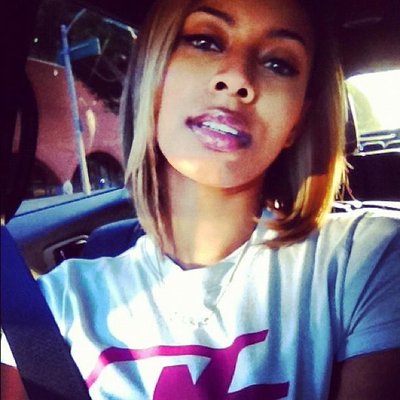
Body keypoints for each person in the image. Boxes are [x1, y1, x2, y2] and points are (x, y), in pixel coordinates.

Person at [2, 0, 400, 398]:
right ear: (153, 78)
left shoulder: (363, 258)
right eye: (206, 41)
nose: (237, 78)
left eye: (278, 63)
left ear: (296, 121)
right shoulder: (51, 308)